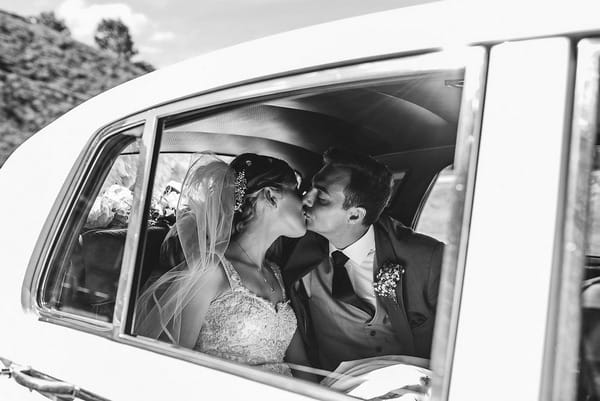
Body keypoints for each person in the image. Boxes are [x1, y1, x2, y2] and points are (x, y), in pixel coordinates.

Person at [136, 152, 315, 379]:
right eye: (297, 191)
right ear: (271, 196)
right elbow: (169, 368)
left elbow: (302, 368)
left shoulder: (276, 273)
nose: (306, 201)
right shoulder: (211, 272)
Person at [283, 148, 444, 371]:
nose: (306, 199)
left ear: (355, 215)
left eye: (321, 197)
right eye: (309, 188)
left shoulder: (426, 259)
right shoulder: (293, 243)